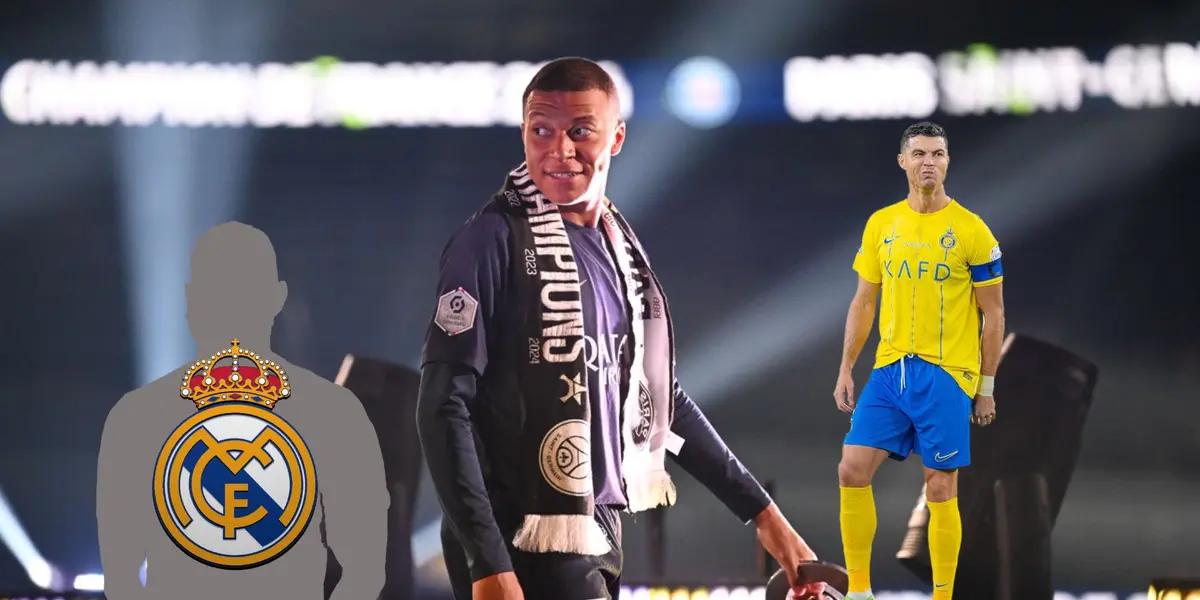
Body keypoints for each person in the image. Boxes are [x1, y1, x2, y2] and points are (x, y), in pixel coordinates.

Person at [418, 57, 824, 600]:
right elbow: (442, 406)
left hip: (597, 526)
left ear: (616, 138)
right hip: (522, 539)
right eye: (542, 130)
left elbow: (661, 401)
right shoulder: (489, 241)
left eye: (580, 131)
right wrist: (487, 562)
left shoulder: (620, 249)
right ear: (524, 134)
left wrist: (771, 521)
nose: (559, 150)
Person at [97, 222, 388, 600]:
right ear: (277, 299)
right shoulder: (336, 414)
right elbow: (366, 572)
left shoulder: (134, 418)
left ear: (189, 302)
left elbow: (120, 579)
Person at [832, 122, 1006, 599]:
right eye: (921, 154)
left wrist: (985, 387)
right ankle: (860, 591)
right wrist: (847, 367)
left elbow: (994, 314)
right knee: (851, 469)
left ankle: (942, 597)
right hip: (891, 371)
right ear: (903, 161)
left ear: (948, 162)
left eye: (939, 154)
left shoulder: (972, 231)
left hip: (947, 375)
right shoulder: (882, 224)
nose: (930, 162)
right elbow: (864, 301)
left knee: (940, 488)